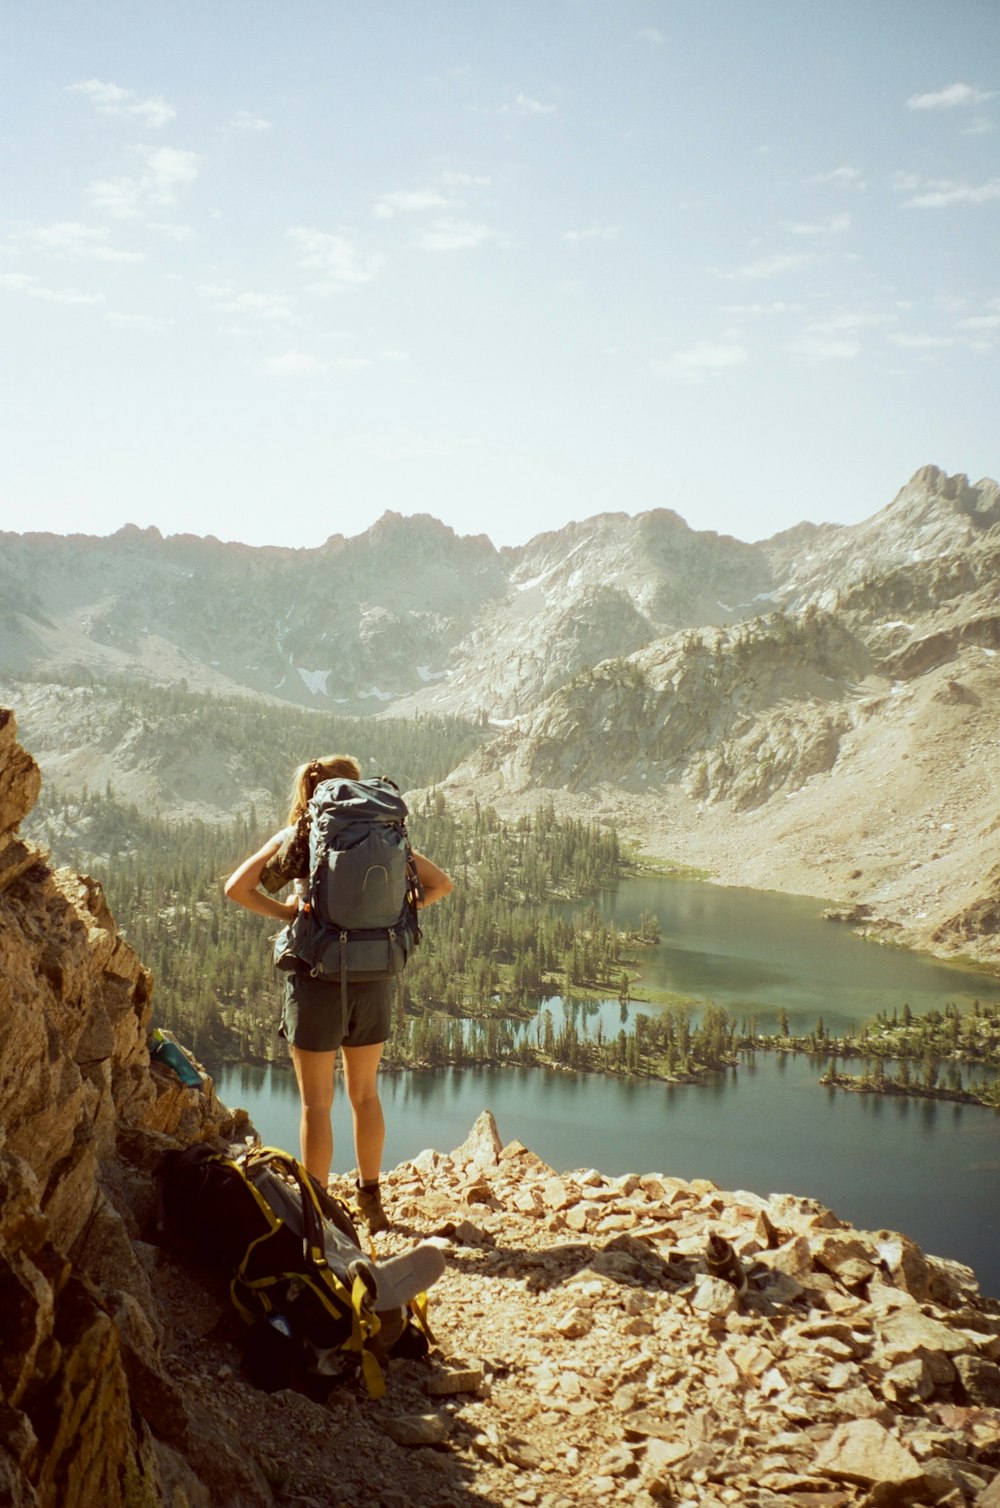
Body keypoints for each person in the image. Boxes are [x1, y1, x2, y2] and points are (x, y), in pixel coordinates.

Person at [224, 754, 452, 1233]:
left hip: (316, 979)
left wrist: (290, 916)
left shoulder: (298, 837)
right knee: (366, 1095)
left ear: (311, 792)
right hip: (374, 975)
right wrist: (400, 918)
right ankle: (371, 1200)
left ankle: (317, 1210)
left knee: (316, 1104)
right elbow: (441, 884)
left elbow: (237, 889)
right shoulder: (387, 834)